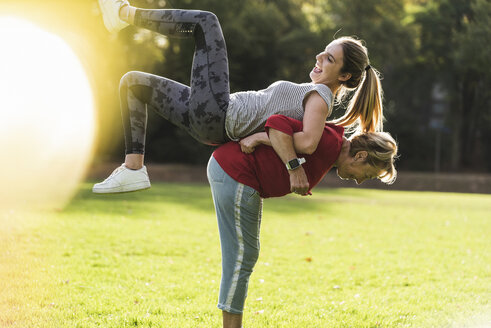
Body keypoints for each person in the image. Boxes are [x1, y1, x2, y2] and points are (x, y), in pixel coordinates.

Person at [93, 0, 385, 194]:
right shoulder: (318, 96)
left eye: (330, 59)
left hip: (218, 115)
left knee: (206, 23)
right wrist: (265, 139)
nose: (320, 56)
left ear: (344, 76)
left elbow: (308, 142)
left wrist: (279, 154)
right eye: (324, 51)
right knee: (133, 84)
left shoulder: (321, 95)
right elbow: (302, 136)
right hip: (211, 122)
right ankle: (133, 168)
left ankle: (123, 14)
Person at [208, 114, 398, 328]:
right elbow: (278, 123)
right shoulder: (329, 142)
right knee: (242, 256)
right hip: (237, 172)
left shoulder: (331, 147)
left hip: (238, 176)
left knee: (244, 255)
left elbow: (289, 138)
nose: (361, 180)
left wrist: (261, 138)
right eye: (368, 174)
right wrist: (290, 164)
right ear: (361, 156)